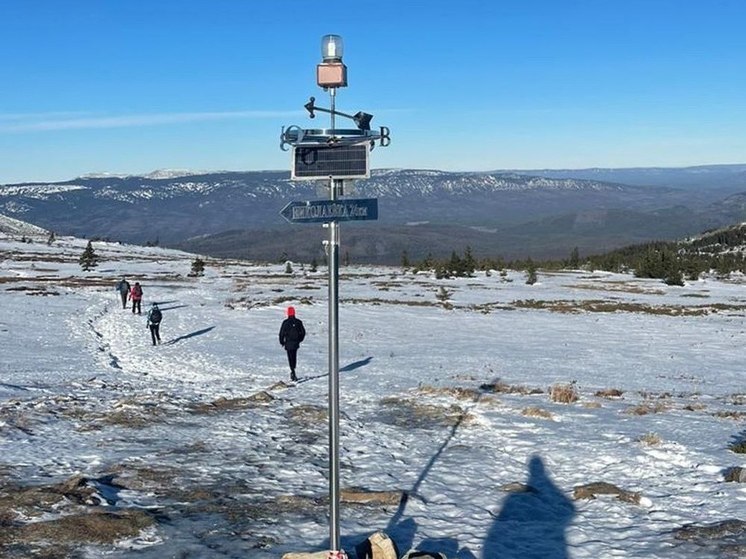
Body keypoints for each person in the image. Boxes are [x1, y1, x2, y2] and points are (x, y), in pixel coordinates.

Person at [279, 306, 305, 382]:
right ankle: (293, 369)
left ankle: (292, 370)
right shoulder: (298, 322)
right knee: (294, 356)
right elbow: (303, 332)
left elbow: (281, 333)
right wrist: (300, 340)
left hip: (288, 342)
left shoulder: (285, 322)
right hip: (295, 342)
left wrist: (282, 341)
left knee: (290, 356)